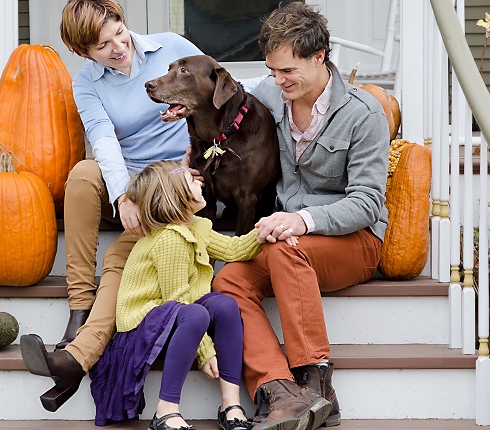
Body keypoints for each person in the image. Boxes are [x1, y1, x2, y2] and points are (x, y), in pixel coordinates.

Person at [208, 3, 390, 430]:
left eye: (287, 70)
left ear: (318, 56)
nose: (277, 80)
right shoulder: (270, 96)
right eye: (271, 70)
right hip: (284, 241)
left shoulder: (365, 114)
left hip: (353, 241)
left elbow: (366, 203)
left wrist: (302, 219)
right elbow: (220, 110)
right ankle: (279, 390)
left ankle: (316, 382)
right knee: (228, 280)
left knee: (289, 251)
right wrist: (195, 156)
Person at [19, 0, 202, 412]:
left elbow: (216, 87)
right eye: (102, 46)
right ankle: (79, 306)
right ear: (83, 52)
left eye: (118, 32)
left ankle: (75, 358)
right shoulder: (87, 83)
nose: (118, 47)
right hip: (128, 174)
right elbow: (103, 142)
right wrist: (123, 195)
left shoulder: (171, 47)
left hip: (178, 175)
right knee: (83, 174)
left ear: (123, 21)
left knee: (122, 254)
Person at [85, 160, 261, 430]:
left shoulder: (196, 227)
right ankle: (166, 409)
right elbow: (178, 301)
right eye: (192, 181)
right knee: (196, 311)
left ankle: (230, 403)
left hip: (175, 316)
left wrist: (269, 230)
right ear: (177, 196)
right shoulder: (171, 239)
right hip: (141, 326)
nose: (199, 182)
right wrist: (205, 353)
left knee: (225, 305)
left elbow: (235, 250)